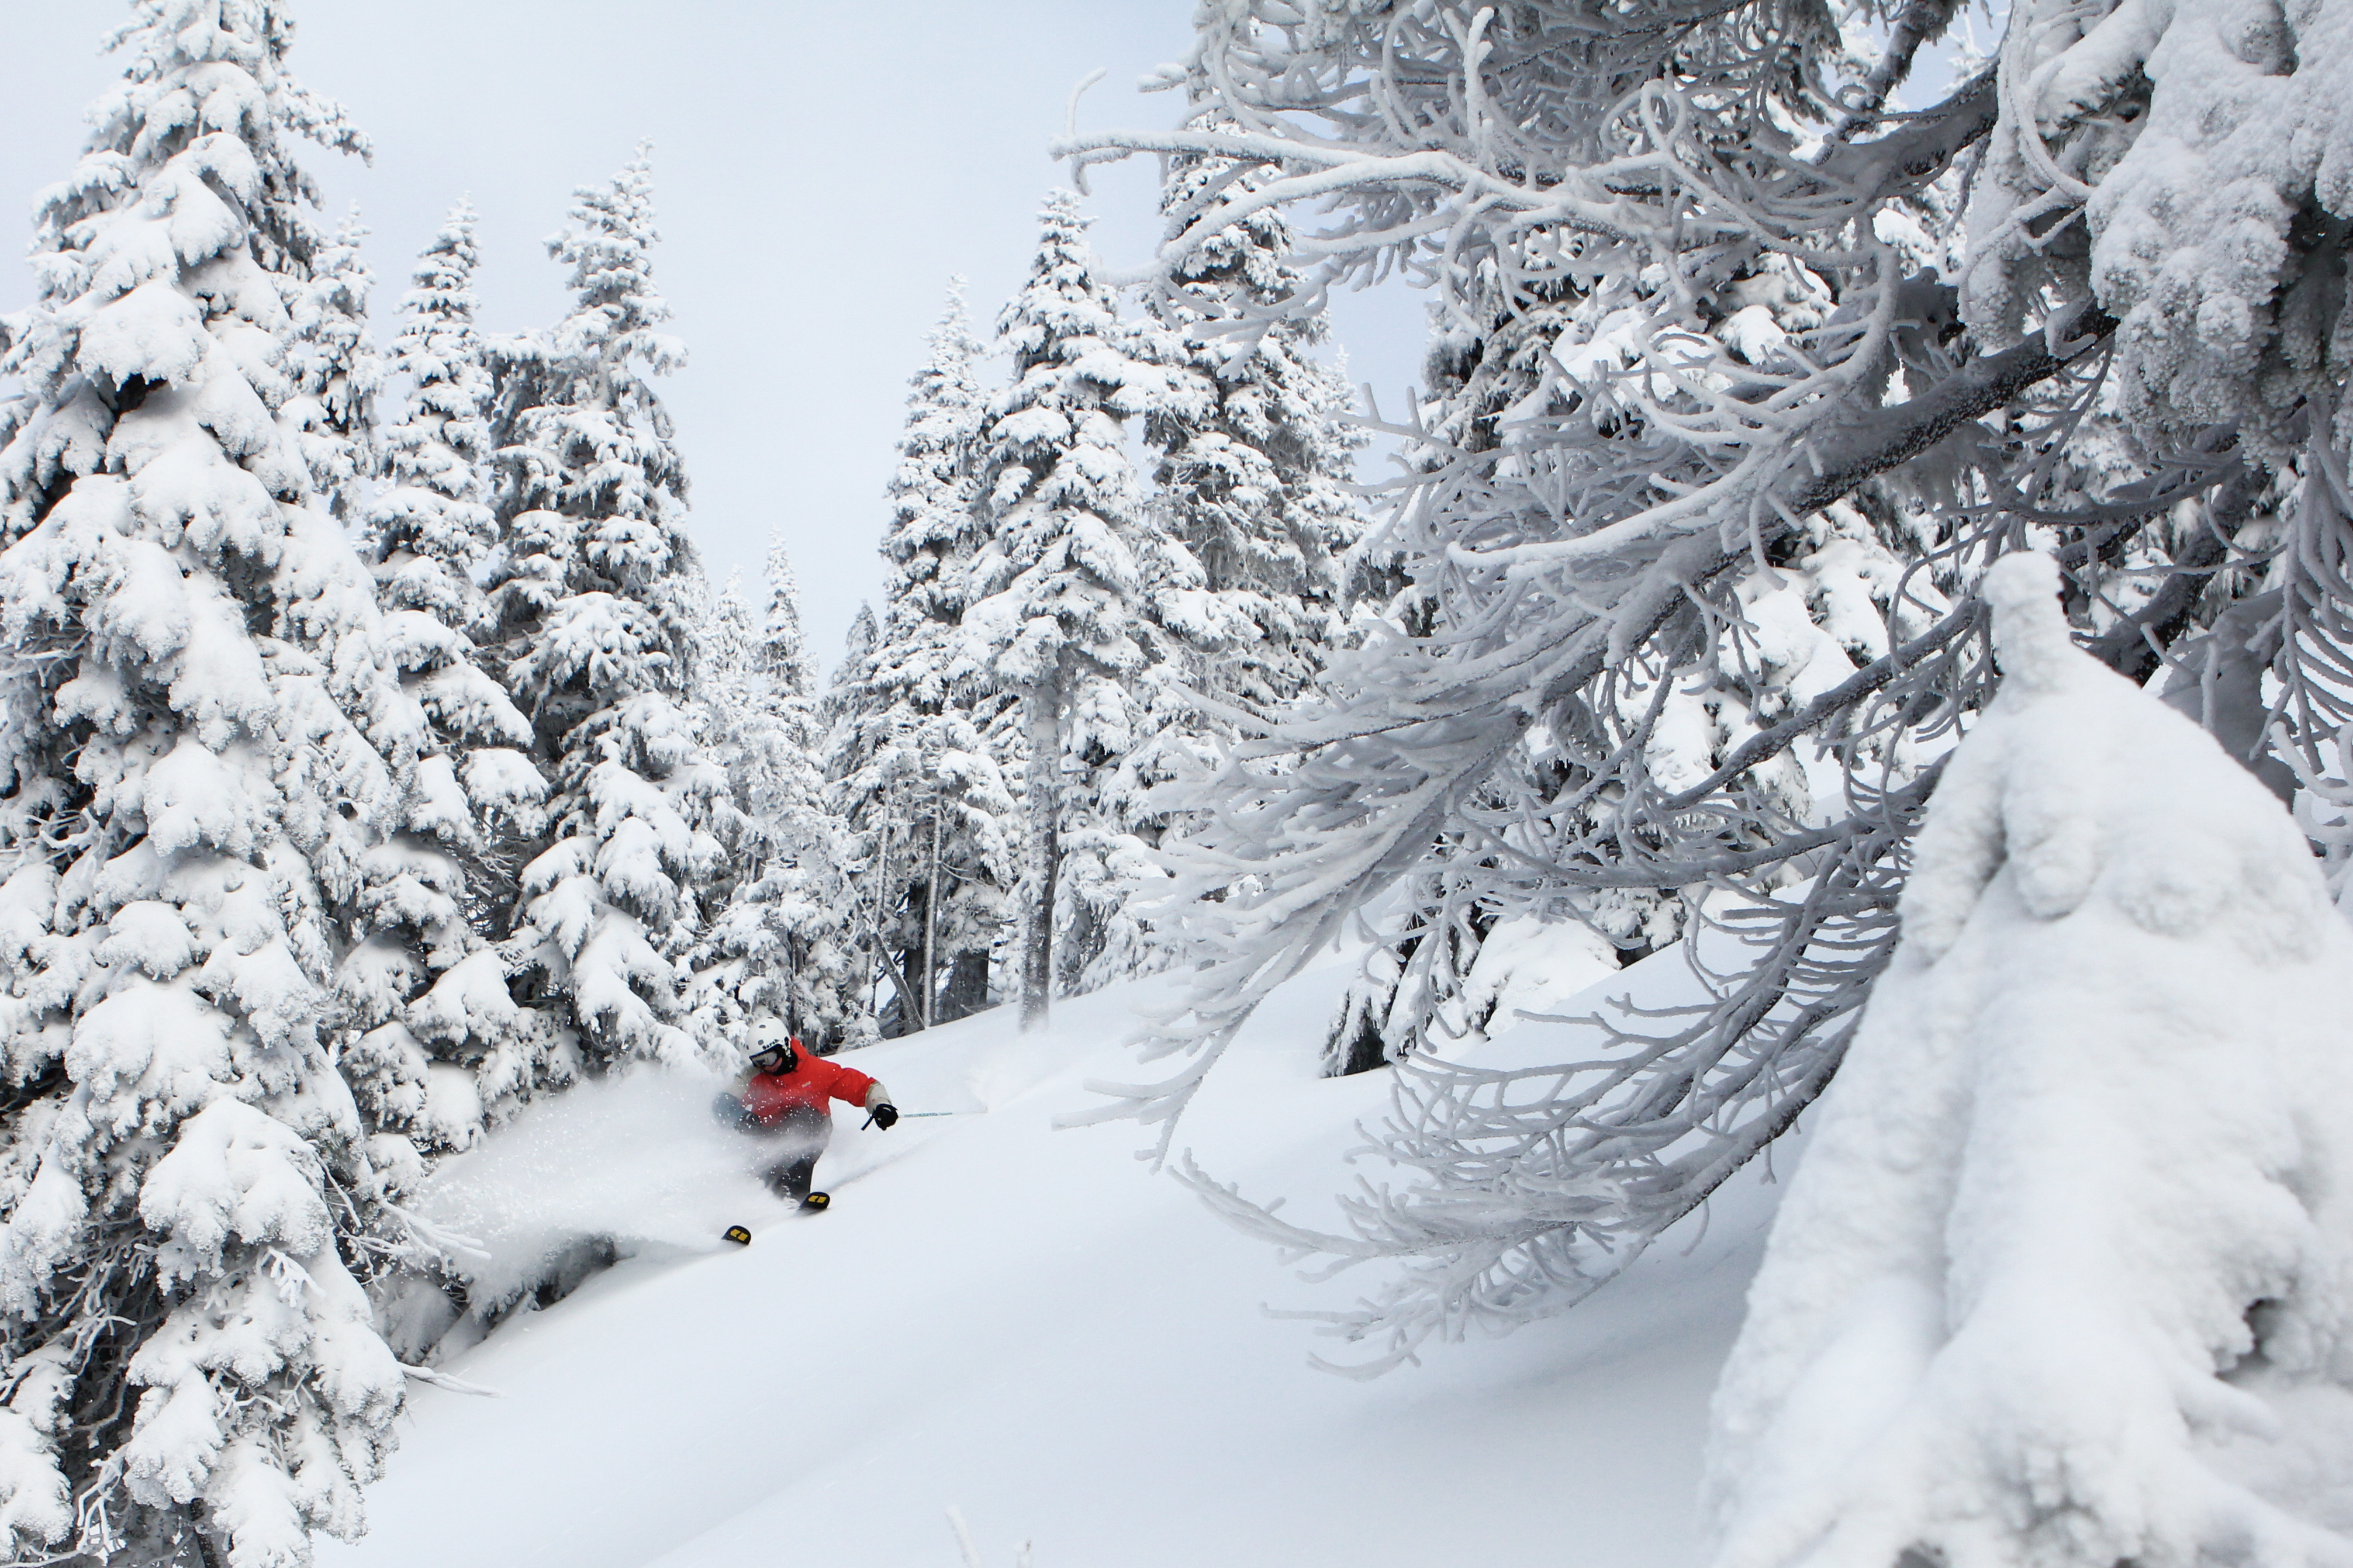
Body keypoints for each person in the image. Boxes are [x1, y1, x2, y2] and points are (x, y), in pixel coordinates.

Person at [714, 1017, 898, 1212]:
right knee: (763, 1168)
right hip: (768, 1136)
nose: (766, 1066)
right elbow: (722, 1102)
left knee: (804, 1125)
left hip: (812, 1128)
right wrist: (739, 1117)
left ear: (785, 1046)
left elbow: (867, 1088)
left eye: (769, 1058)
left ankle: (792, 1195)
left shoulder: (817, 1071)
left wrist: (881, 1106)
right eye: (759, 1061)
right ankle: (752, 1214)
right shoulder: (754, 1076)